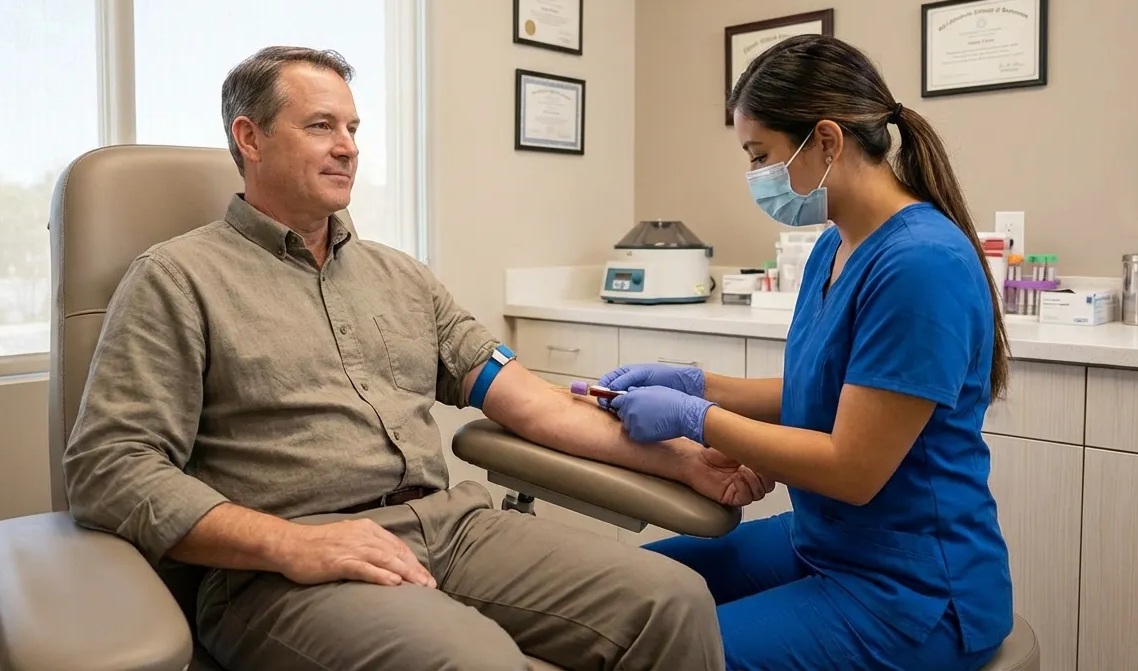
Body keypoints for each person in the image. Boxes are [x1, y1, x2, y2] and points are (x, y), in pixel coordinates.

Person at [63, 45, 773, 671]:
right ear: (249, 137)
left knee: (673, 600)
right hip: (286, 569)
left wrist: (680, 457)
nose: (347, 147)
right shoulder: (176, 279)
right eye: (320, 126)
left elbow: (525, 400)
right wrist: (288, 545)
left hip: (450, 525)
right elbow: (110, 468)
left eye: (352, 128)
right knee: (476, 663)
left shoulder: (399, 277)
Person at [595, 34, 1015, 671]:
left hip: (911, 589)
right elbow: (822, 395)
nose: (753, 176)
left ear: (825, 140)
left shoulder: (921, 264)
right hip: (822, 541)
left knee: (668, 654)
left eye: (759, 154)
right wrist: (696, 383)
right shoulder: (835, 246)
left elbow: (852, 464)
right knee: (617, 594)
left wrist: (695, 420)